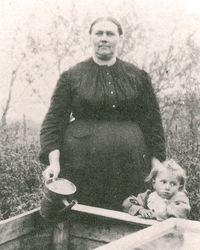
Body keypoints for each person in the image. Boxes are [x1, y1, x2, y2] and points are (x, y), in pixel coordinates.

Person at [39, 17, 166, 211]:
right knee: (84, 219)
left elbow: (153, 123)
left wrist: (157, 164)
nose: (104, 38)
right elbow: (53, 122)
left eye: (110, 34)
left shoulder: (137, 77)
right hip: (82, 166)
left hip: (129, 165)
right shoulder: (72, 76)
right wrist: (54, 164)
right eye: (99, 33)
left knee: (130, 215)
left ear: (120, 38)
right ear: (91, 37)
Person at [123, 159, 191, 221]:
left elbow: (179, 212)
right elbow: (127, 203)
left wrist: (156, 215)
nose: (167, 187)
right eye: (163, 182)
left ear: (179, 188)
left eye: (173, 184)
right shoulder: (148, 196)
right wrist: (141, 210)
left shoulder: (180, 199)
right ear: (154, 183)